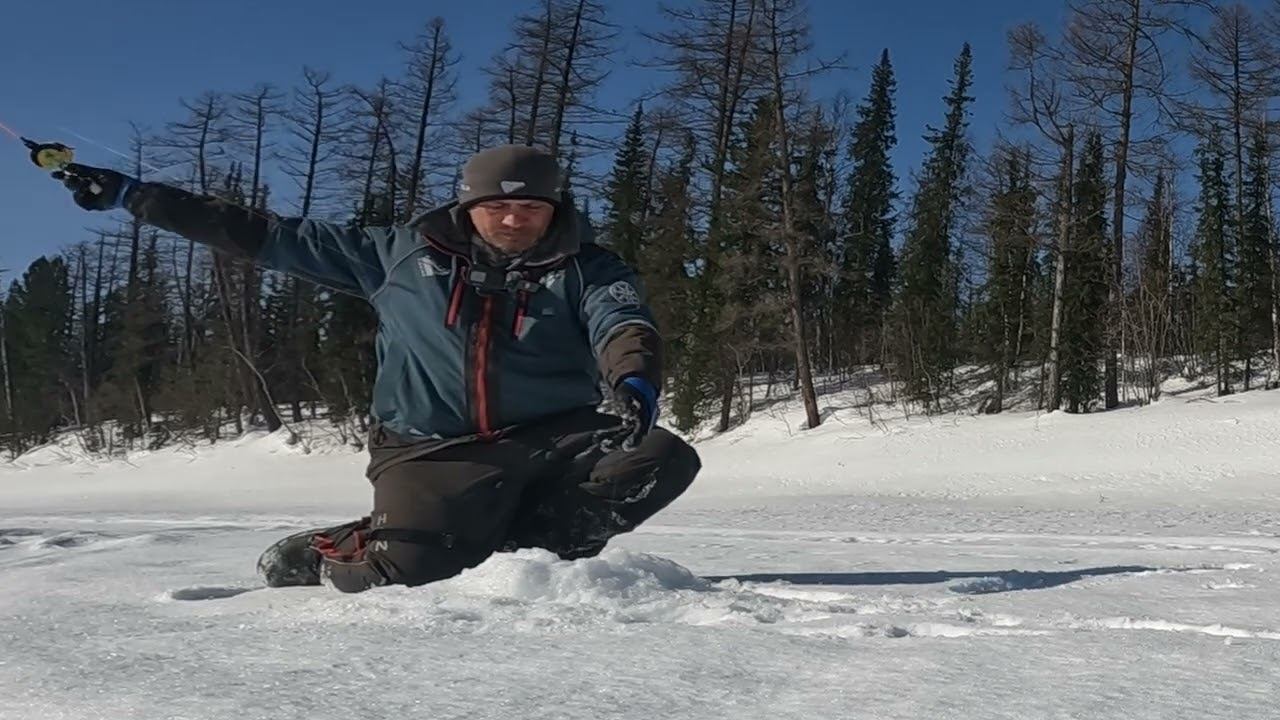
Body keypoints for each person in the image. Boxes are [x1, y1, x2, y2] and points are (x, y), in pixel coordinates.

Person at [54, 144, 701, 593]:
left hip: (554, 434)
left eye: (532, 208)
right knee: (410, 576)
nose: (513, 219)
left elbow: (623, 324)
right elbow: (259, 233)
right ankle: (336, 548)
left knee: (662, 458)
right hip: (432, 447)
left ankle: (521, 554)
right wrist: (136, 197)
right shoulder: (394, 254)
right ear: (467, 206)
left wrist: (633, 379)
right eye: (498, 207)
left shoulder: (591, 265)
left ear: (555, 209)